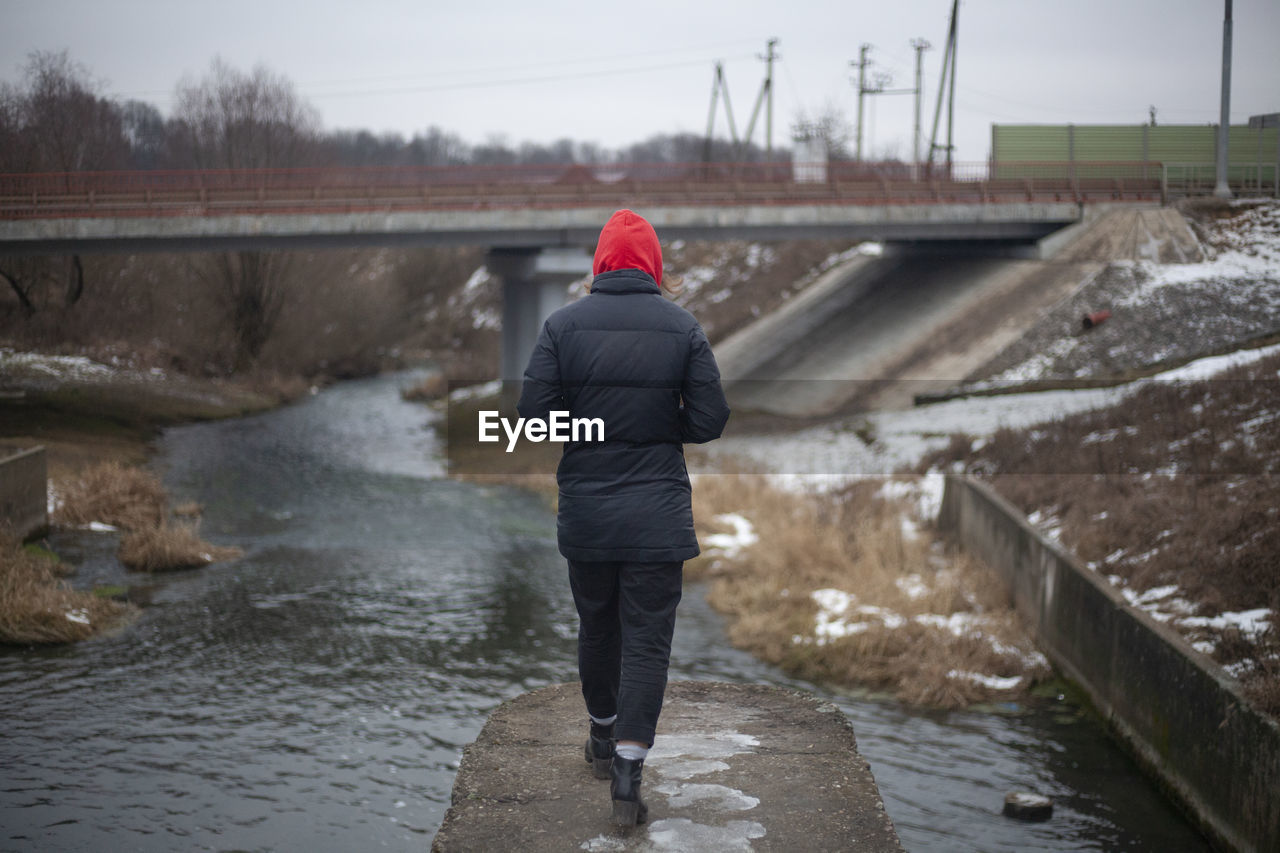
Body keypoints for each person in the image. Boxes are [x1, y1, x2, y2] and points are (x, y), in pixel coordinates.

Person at [517, 209, 730, 827]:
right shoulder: (682, 326)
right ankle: (628, 775)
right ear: (654, 267)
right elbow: (711, 418)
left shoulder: (562, 327)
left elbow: (530, 417)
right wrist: (664, 430)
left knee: (597, 627)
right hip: (657, 516)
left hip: (587, 513)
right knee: (647, 641)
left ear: (600, 265)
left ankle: (601, 737)